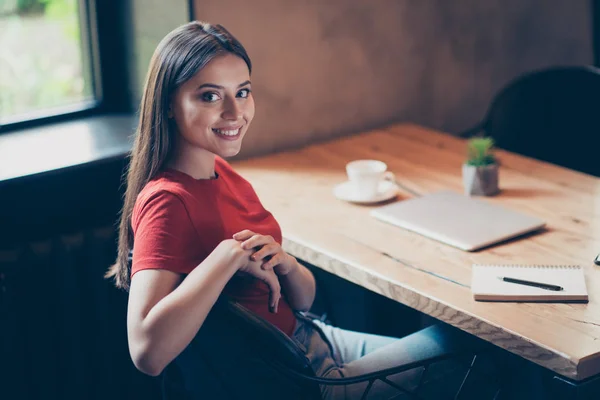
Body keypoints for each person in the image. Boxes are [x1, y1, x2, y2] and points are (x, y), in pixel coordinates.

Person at [106, 20, 494, 399]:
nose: (234, 112)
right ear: (168, 104)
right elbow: (146, 354)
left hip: (312, 338)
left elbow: (304, 300)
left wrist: (286, 264)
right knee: (487, 349)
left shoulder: (220, 172)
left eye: (242, 92)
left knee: (468, 347)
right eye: (209, 96)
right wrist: (228, 256)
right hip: (306, 379)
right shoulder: (168, 202)